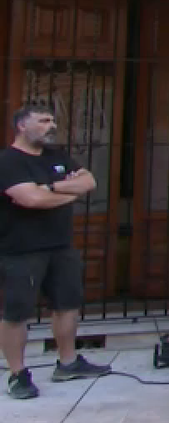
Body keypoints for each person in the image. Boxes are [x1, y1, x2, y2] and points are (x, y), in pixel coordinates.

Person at [0, 106, 110, 400]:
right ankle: (17, 374)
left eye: (52, 120)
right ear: (22, 126)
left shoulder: (57, 156)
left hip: (61, 245)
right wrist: (67, 194)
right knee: (17, 312)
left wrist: (49, 187)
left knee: (67, 305)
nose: (51, 126)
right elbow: (30, 199)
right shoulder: (9, 161)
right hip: (21, 250)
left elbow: (89, 181)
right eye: (43, 121)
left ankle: (68, 362)